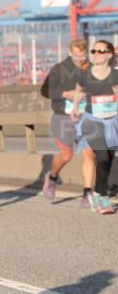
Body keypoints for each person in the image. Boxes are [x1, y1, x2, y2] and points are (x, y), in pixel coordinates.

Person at [41, 38, 93, 204]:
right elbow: (45, 90)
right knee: (67, 155)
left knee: (89, 153)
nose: (80, 59)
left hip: (85, 116)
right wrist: (65, 94)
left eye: (83, 55)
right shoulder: (59, 69)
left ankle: (87, 193)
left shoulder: (92, 69)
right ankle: (53, 177)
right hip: (63, 116)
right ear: (71, 53)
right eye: (77, 56)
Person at [71, 40, 118, 214]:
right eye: (94, 51)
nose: (96, 54)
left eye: (100, 51)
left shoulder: (115, 75)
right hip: (92, 121)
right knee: (102, 157)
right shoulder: (85, 74)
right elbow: (79, 89)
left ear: (109, 54)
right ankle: (104, 199)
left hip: (112, 122)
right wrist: (75, 107)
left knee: (109, 160)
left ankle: (97, 194)